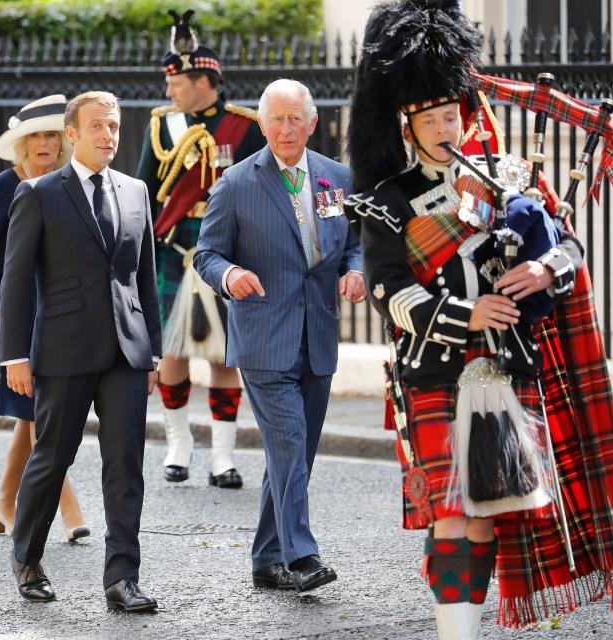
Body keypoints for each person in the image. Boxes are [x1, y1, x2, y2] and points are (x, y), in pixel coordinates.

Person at [346, 1, 613, 636]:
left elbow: (569, 243)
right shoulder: (390, 201)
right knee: (451, 512)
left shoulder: (509, 177)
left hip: (504, 368)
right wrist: (466, 314)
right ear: (407, 125)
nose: (447, 127)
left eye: (454, 114)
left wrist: (545, 270)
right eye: (433, 118)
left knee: (483, 513)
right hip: (434, 368)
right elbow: (393, 293)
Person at [193, 79, 365, 593]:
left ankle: (266, 560)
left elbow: (356, 241)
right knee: (289, 442)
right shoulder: (236, 183)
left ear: (312, 124)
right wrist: (229, 276)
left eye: (296, 119)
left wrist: (356, 270)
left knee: (297, 451)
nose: (286, 129)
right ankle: (302, 554)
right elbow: (206, 254)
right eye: (277, 119)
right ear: (261, 124)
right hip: (264, 337)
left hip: (319, 335)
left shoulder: (338, 178)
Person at [0, 91, 162, 611]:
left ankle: (122, 579)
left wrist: (153, 352)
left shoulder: (136, 191)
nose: (107, 135)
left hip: (127, 353)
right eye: (96, 126)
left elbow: (145, 281)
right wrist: (14, 355)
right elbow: (16, 280)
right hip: (64, 350)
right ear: (72, 134)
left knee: (125, 465)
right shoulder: (41, 193)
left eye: (113, 126)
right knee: (51, 457)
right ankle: (27, 559)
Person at [136, 10, 265, 488]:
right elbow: (146, 196)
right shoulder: (160, 127)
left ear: (203, 79)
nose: (169, 92)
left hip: (224, 253)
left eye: (176, 82)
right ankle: (178, 444)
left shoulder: (245, 127)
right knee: (173, 350)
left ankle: (223, 456)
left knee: (223, 355)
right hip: (174, 247)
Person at [0, 94, 89, 542]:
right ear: (23, 143)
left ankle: (4, 501)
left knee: (34, 413)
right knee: (42, 411)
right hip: (13, 313)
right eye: (35, 135)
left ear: (62, 142)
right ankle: (70, 508)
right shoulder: (6, 185)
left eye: (51, 135)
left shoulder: (68, 181)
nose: (44, 143)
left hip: (58, 313)